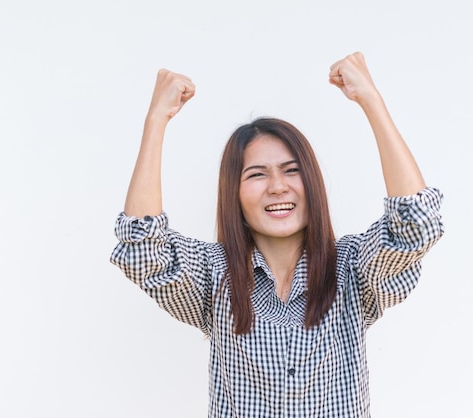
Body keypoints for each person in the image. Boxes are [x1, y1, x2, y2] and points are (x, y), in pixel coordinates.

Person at [110, 52, 444, 417]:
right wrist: (156, 120)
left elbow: (415, 225)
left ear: (311, 183)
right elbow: (142, 248)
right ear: (233, 193)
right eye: (256, 175)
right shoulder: (213, 274)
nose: (277, 187)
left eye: (291, 171)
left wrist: (371, 102)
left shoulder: (350, 268)